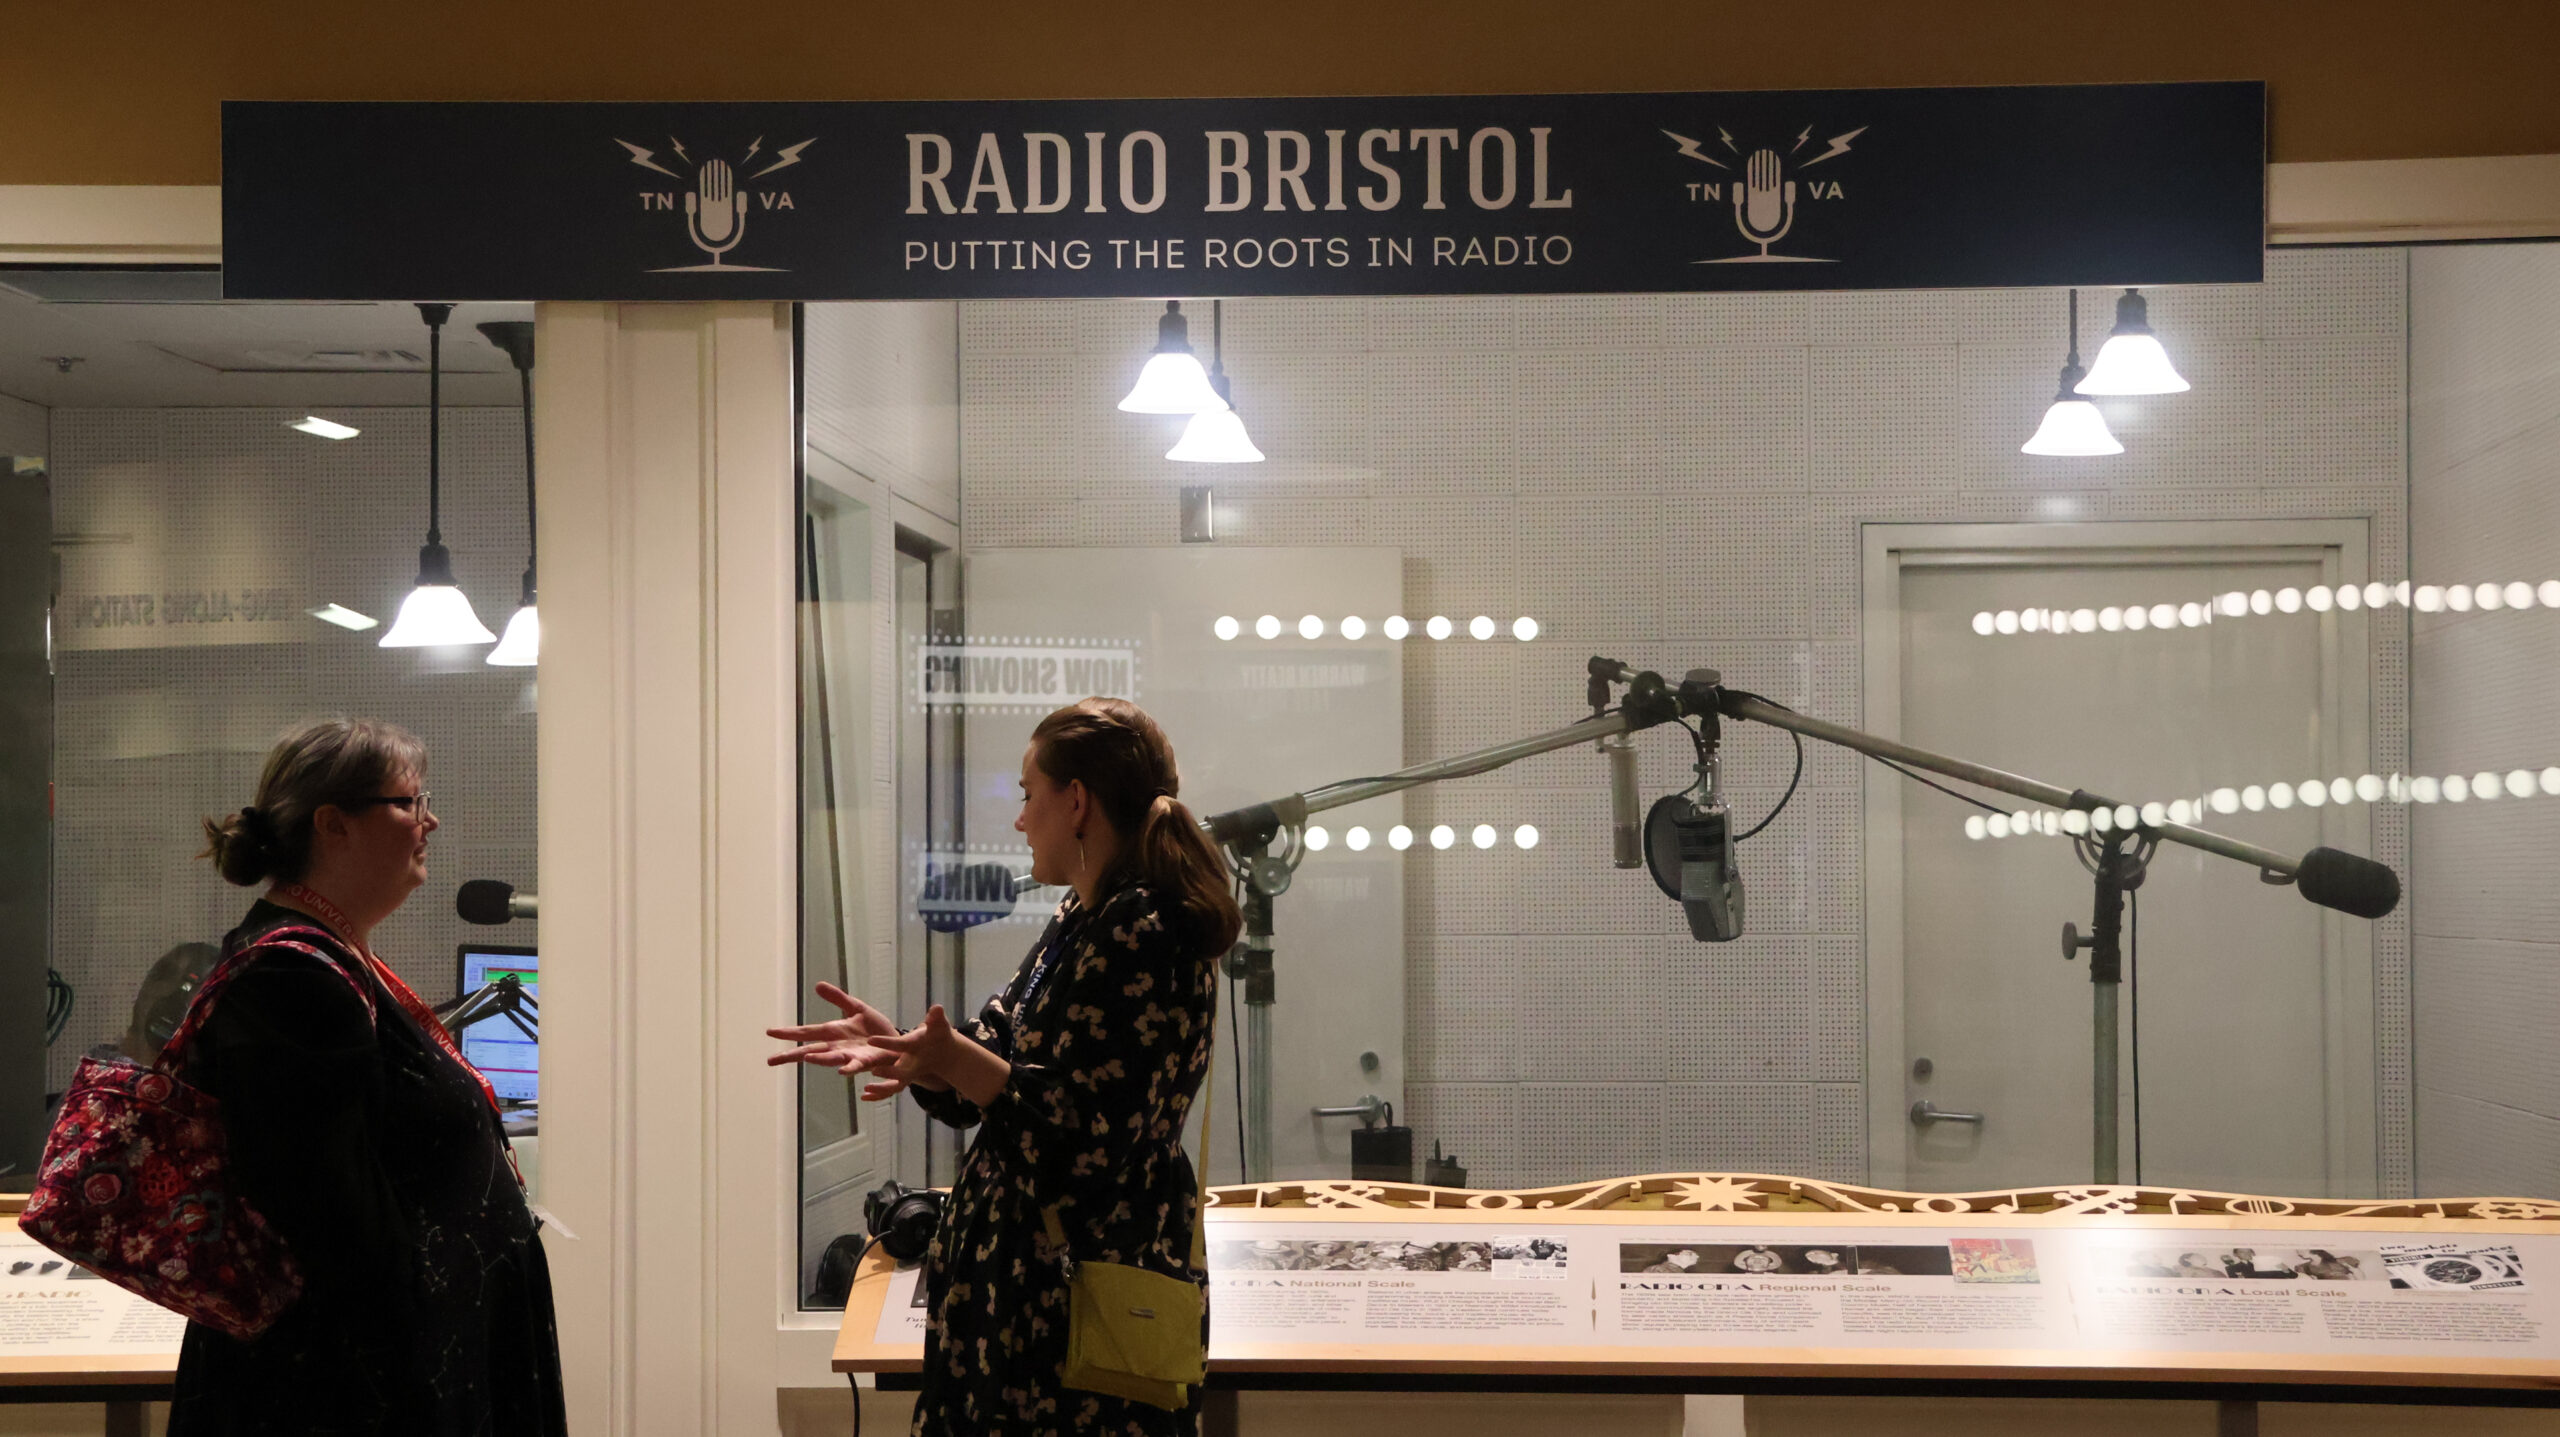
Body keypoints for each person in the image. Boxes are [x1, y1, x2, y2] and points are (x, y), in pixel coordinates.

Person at [768, 697, 1241, 1437]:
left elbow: (1087, 1137)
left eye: (1029, 795)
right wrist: (916, 1053)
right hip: (1019, 1328)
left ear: (1076, 801)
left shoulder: (1148, 928)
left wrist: (954, 1059)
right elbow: (998, 1055)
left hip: (1072, 1337)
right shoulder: (1080, 917)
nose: (1020, 819)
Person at [173, 719, 565, 1436]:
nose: (430, 820)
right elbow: (333, 1222)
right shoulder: (287, 977)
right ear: (334, 824)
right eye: (410, 802)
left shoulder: (331, 957)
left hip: (400, 1365)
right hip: (351, 1391)